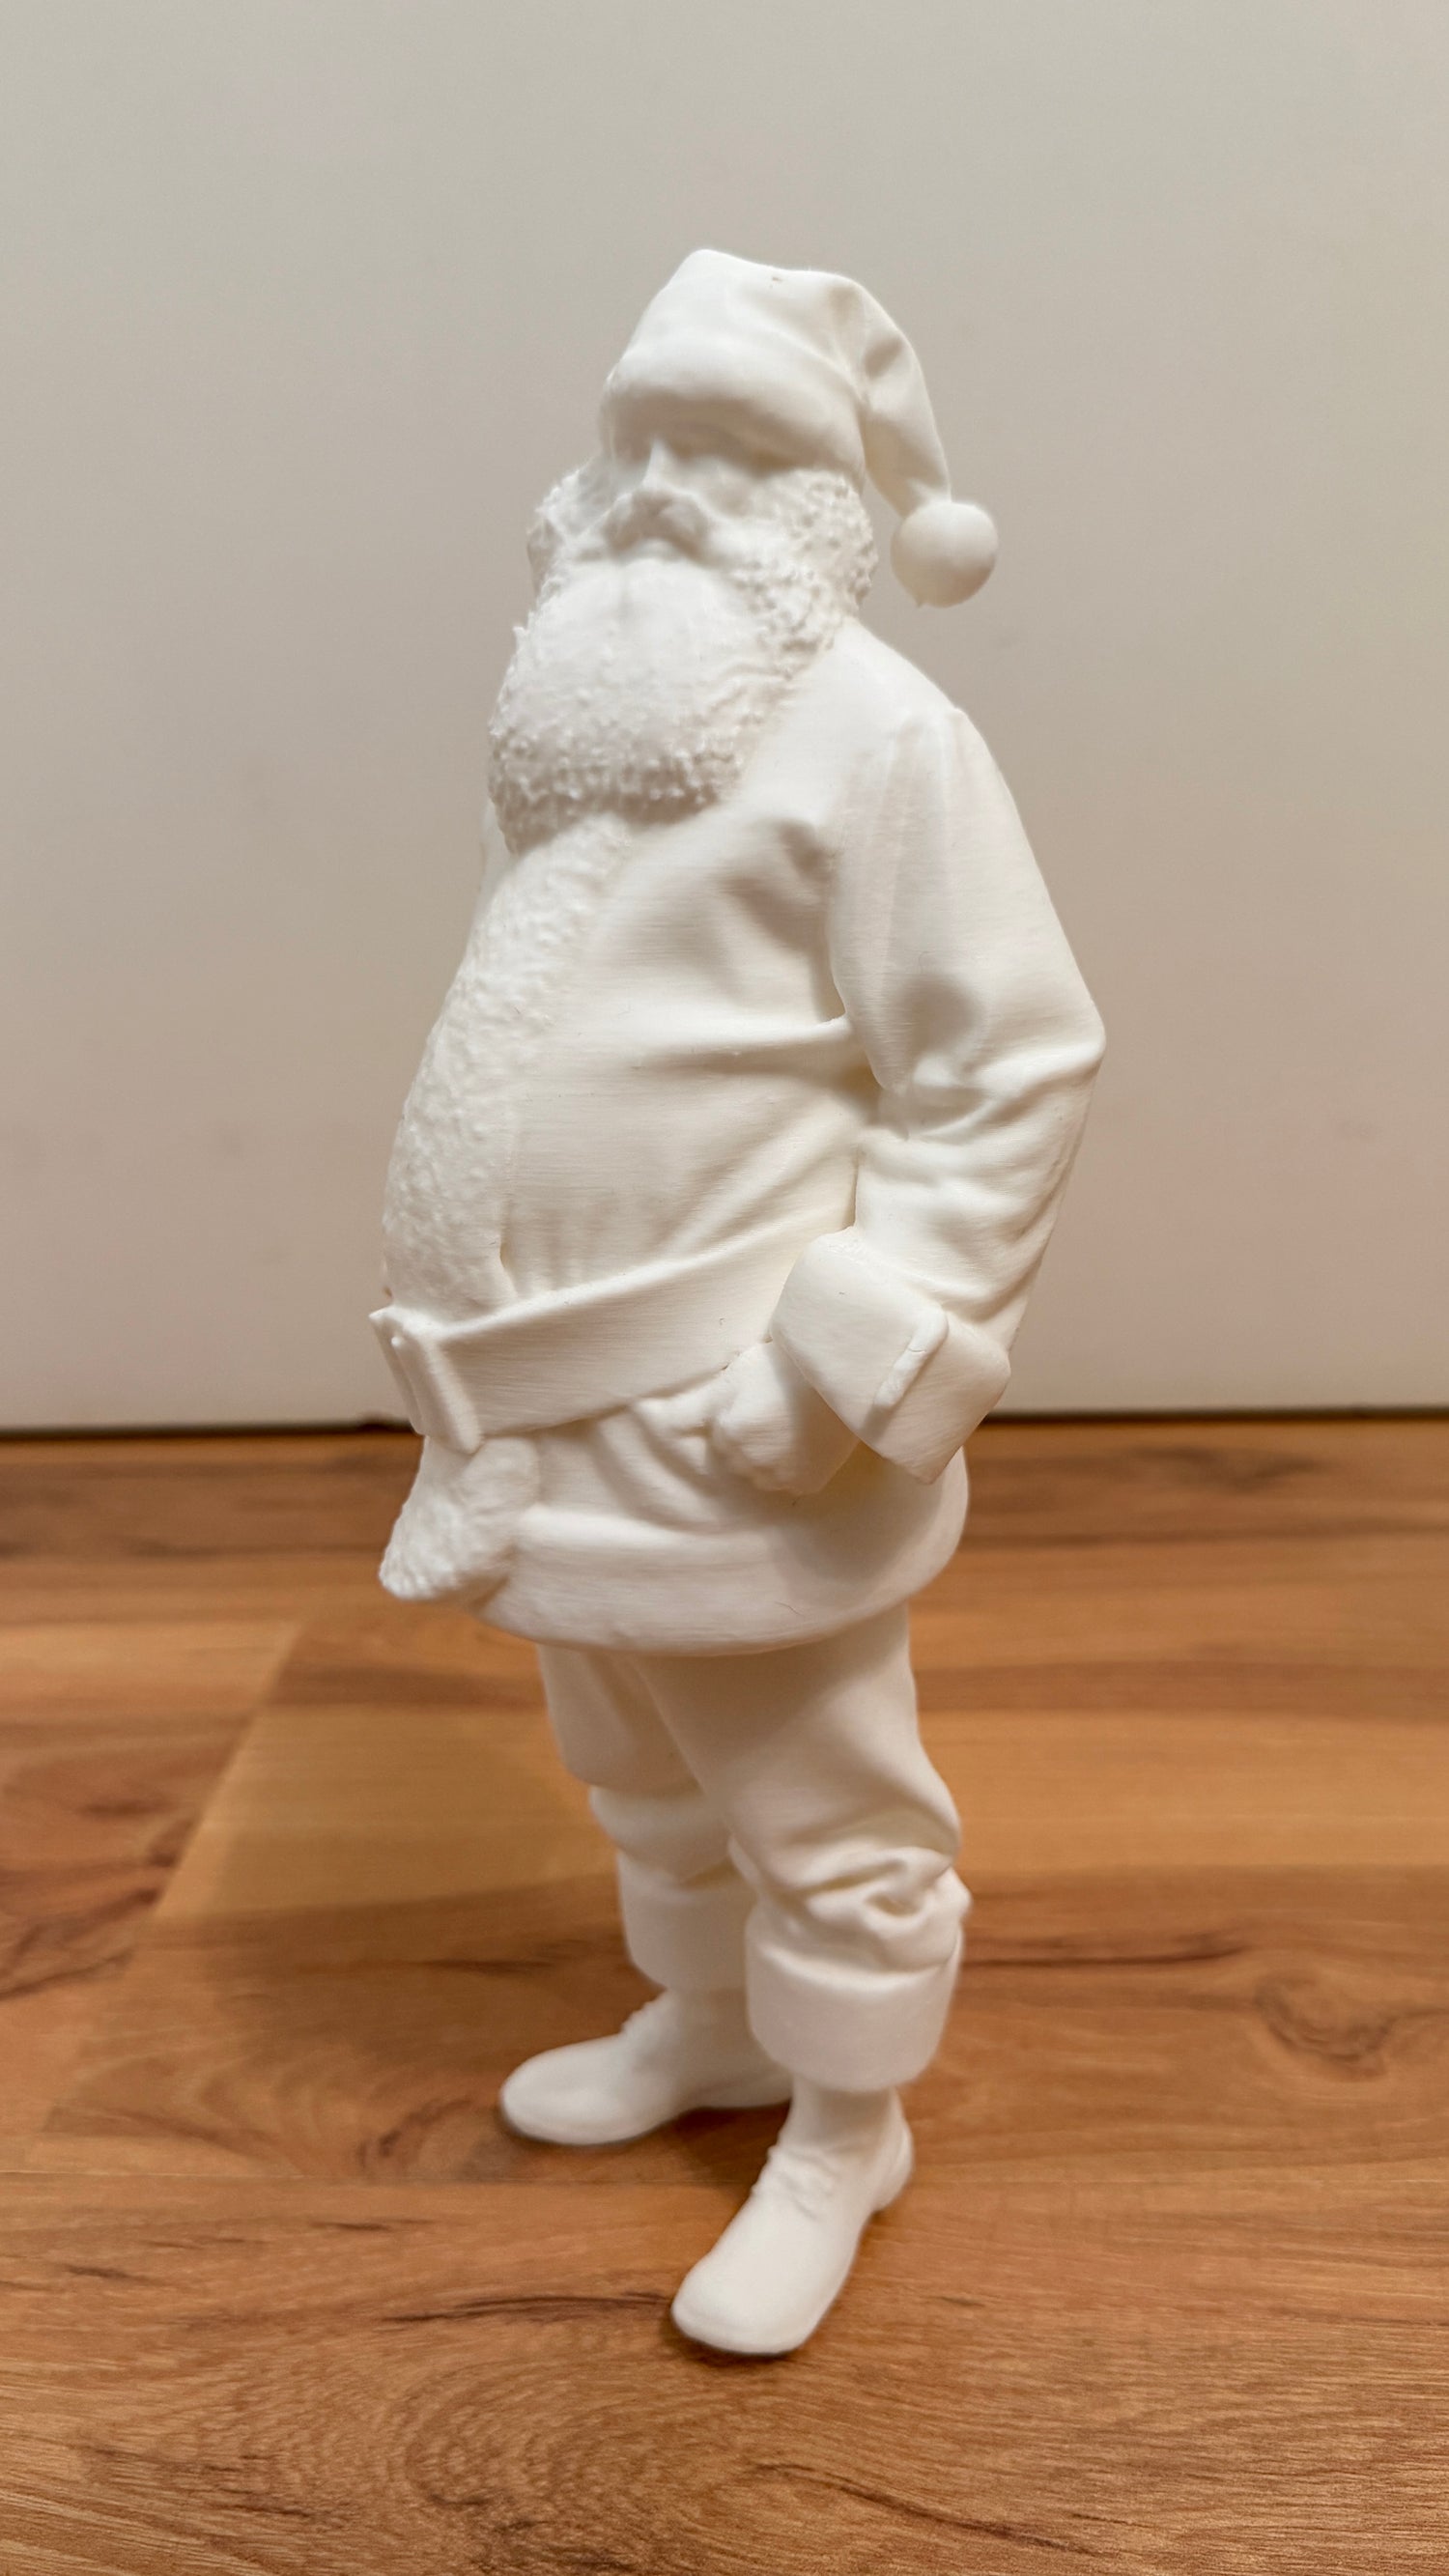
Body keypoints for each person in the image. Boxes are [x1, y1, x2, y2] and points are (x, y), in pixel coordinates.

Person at [372, 250, 1104, 2354]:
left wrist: (846, 1360)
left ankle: (848, 2121)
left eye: (726, 448)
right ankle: (707, 2020)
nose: (661, 490)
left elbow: (1011, 1062)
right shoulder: (574, 726)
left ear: (822, 501)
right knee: (634, 1754)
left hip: (735, 1412)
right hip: (545, 1420)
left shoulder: (887, 741)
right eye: (642, 441)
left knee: (819, 1792)